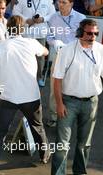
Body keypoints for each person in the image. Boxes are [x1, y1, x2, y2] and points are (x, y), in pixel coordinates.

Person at [0, 15, 50, 175]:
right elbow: (45, 52)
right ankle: (44, 155)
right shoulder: (31, 43)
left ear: (7, 29)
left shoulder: (0, 47)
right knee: (38, 128)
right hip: (31, 98)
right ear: (23, 29)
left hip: (8, 99)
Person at [51, 19, 103, 175]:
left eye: (96, 33)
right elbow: (57, 79)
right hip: (69, 102)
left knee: (84, 144)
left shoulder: (101, 50)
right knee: (62, 144)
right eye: (89, 33)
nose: (93, 36)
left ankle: (80, 172)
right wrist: (59, 104)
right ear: (80, 33)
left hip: (91, 102)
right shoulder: (66, 51)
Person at [46, 0, 86, 127]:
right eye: (59, 2)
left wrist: (69, 46)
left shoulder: (81, 18)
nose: (60, 5)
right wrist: (55, 43)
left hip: (75, 57)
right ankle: (54, 116)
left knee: (71, 88)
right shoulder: (53, 17)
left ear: (71, 3)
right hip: (59, 56)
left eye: (64, 2)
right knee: (54, 87)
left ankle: (69, 117)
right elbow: (49, 37)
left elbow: (84, 38)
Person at [12, 0, 55, 86]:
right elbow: (15, 12)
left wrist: (43, 19)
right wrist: (26, 20)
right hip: (26, 33)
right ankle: (24, 77)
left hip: (40, 33)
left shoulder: (48, 1)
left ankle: (39, 77)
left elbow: (53, 14)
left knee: (40, 58)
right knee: (24, 56)